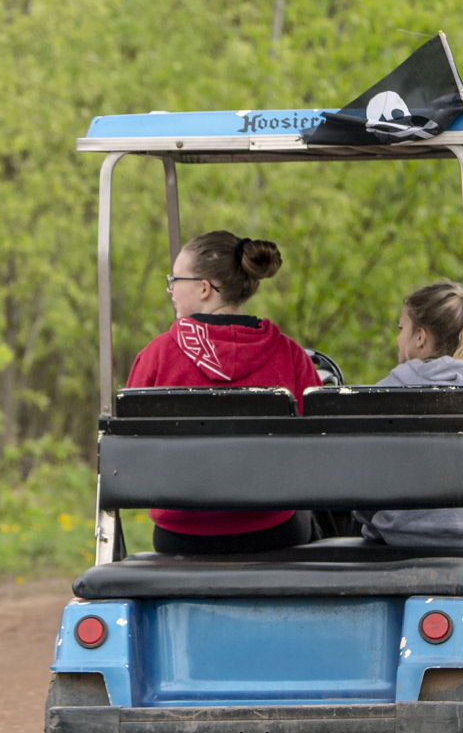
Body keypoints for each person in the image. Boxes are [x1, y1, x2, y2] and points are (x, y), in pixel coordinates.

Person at [127, 230, 321, 554]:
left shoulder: (158, 355)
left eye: (175, 279)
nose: (169, 289)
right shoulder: (289, 355)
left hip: (181, 535)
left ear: (204, 288)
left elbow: (130, 450)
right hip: (273, 530)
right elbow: (321, 447)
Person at [357, 280, 463, 548]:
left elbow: (363, 478)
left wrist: (376, 522)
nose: (399, 338)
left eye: (402, 329)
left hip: (398, 538)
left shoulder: (386, 390)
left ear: (420, 337)